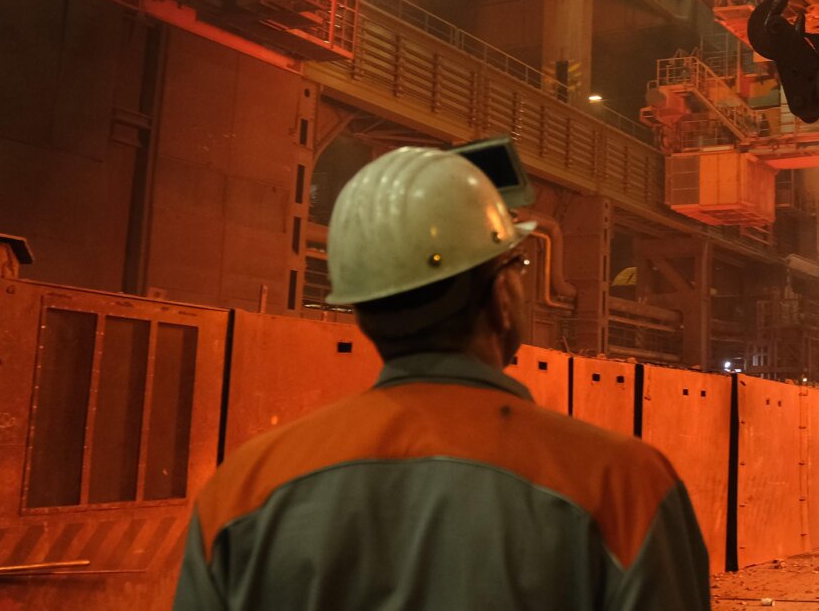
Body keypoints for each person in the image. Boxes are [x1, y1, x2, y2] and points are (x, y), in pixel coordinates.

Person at [174, 146, 710, 610]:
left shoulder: (242, 491)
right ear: (501, 298)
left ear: (362, 310)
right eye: (516, 268)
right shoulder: (622, 485)